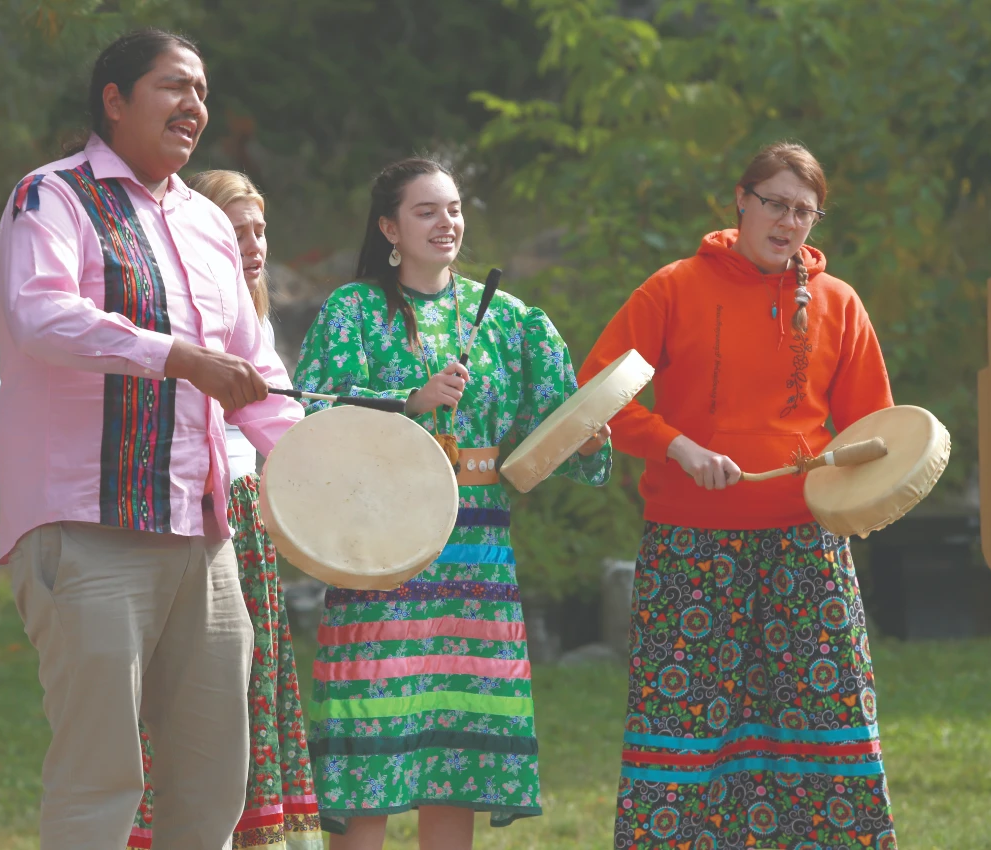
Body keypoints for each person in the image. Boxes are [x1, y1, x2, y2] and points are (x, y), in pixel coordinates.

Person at [0, 29, 303, 850]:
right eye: (173, 87)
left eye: (201, 90)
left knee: (212, 784)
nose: (194, 106)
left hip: (205, 543)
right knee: (102, 779)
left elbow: (258, 377)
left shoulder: (206, 223)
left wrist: (326, 481)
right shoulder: (50, 198)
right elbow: (41, 314)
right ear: (115, 100)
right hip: (89, 527)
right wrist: (175, 357)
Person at [578, 141, 897, 850]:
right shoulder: (672, 288)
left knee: (826, 718)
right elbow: (600, 396)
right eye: (776, 204)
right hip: (690, 546)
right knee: (685, 726)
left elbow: (876, 432)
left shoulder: (840, 304)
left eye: (804, 212)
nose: (788, 222)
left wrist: (865, 500)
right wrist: (679, 447)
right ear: (741, 201)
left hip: (808, 545)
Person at [292, 157, 612, 850]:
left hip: (476, 553)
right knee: (369, 732)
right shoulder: (352, 313)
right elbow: (309, 422)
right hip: (380, 546)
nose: (448, 222)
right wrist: (408, 403)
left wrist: (585, 441)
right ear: (388, 228)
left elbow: (554, 426)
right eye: (427, 210)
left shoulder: (512, 321)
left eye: (455, 209)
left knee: (457, 745)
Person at [127, 170, 321, 850]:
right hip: (188, 503)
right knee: (182, 688)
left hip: (246, 510)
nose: (253, 243)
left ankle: (253, 830)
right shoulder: (180, 308)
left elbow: (279, 420)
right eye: (237, 229)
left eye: (260, 229)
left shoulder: (254, 313)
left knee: (253, 677)